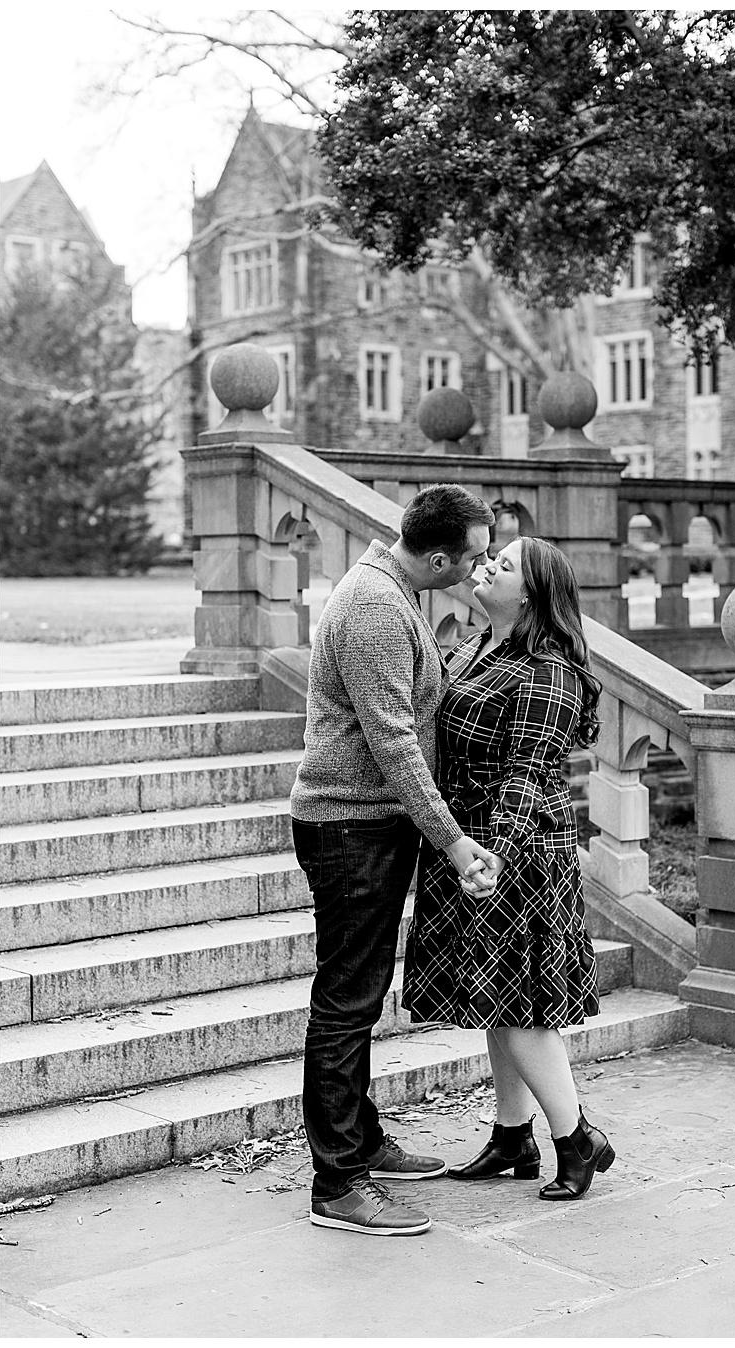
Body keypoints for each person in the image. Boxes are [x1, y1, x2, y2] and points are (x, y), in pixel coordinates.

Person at [291, 483, 500, 1236]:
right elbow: (392, 743)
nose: (481, 569)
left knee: (359, 996)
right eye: (474, 557)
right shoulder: (378, 606)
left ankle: (364, 1142)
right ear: (438, 555)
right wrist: (450, 837)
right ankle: (338, 1183)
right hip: (350, 829)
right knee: (346, 1004)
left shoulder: (393, 587)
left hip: (369, 827)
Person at [401, 535, 616, 1201]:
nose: (486, 565)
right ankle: (511, 1134)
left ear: (531, 594)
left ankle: (576, 1137)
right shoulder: (476, 647)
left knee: (519, 1005)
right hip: (472, 841)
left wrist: (494, 851)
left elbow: (526, 774)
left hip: (519, 850)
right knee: (495, 996)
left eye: (504, 565)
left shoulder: (548, 670)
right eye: (489, 556)